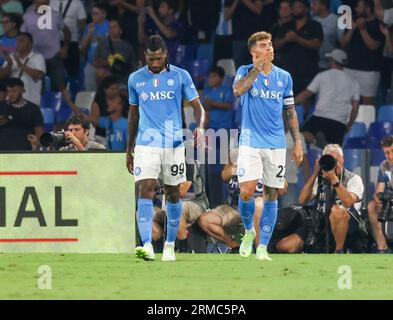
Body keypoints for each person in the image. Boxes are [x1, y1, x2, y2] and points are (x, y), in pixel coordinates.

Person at [127, 35, 205, 262]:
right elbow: (133, 115)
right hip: (145, 145)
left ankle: (170, 245)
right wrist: (129, 149)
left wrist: (199, 127)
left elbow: (198, 108)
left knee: (172, 194)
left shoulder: (181, 76)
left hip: (173, 145)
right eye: (151, 58)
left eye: (158, 57)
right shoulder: (135, 79)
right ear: (145, 56)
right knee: (145, 189)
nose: (154, 62)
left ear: (165, 54)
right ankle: (147, 246)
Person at [232, 31, 303, 261]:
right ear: (254, 52)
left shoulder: (284, 77)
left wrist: (298, 143)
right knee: (246, 192)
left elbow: (290, 111)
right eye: (263, 45)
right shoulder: (244, 71)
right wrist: (257, 67)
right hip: (250, 142)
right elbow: (238, 90)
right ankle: (248, 231)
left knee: (272, 194)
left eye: (270, 43)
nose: (269, 47)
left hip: (275, 144)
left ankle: (262, 247)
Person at [299, 144, 365, 253]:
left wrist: (334, 179)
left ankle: (338, 251)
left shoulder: (353, 179)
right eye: (328, 159)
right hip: (324, 222)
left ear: (342, 160)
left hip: (350, 224)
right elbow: (302, 200)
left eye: (334, 160)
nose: (332, 163)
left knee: (337, 210)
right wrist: (315, 174)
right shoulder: (322, 179)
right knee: (288, 245)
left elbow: (348, 202)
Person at [198, 147, 264, 251]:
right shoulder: (235, 153)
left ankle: (259, 249)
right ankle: (234, 246)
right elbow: (224, 176)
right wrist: (237, 167)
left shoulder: (267, 153)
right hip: (235, 207)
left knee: (257, 205)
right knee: (205, 220)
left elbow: (283, 187)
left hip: (257, 204)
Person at [296, 49, 360, 147]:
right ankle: (324, 145)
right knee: (333, 150)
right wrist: (349, 125)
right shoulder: (353, 82)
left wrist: (289, 102)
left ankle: (315, 141)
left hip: (320, 117)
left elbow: (306, 94)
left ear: (332, 61)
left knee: (301, 134)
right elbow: (355, 107)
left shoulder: (322, 76)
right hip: (339, 121)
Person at [152, 160, 210, 251]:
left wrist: (164, 183)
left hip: (195, 203)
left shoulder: (188, 163)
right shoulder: (156, 164)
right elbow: (149, 192)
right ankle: (159, 248)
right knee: (143, 212)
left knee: (175, 209)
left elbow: (181, 192)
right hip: (164, 205)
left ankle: (185, 249)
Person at [273, 0, 323, 95]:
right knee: (286, 101)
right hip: (288, 71)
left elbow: (316, 45)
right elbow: (275, 45)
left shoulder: (315, 25)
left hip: (308, 71)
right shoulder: (286, 25)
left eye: (299, 7)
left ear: (306, 9)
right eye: (294, 7)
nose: (295, 9)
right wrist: (285, 39)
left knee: (306, 102)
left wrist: (297, 38)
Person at [340, 0, 384, 105]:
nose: (356, 9)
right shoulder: (353, 22)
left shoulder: (378, 25)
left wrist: (363, 29)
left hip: (369, 71)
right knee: (346, 99)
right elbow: (343, 43)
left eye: (359, 7)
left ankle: (366, 121)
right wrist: (353, 28)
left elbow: (373, 46)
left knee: (367, 103)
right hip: (350, 67)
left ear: (368, 8)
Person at [21, 0, 70, 92]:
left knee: (60, 85)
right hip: (35, 56)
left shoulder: (55, 15)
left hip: (54, 55)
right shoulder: (27, 17)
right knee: (38, 87)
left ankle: (60, 104)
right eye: (40, 3)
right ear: (35, 2)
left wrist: (65, 47)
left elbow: (67, 32)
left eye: (45, 3)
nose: (43, 5)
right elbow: (22, 36)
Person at [0, 32, 46, 106]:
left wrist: (21, 65)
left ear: (30, 44)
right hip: (11, 102)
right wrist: (9, 64)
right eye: (17, 41)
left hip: (30, 103)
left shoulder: (37, 57)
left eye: (21, 40)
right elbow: (1, 75)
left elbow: (39, 75)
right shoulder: (12, 56)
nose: (18, 43)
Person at [0, 77, 44, 151]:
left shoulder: (33, 109)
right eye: (9, 91)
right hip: (3, 149)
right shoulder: (2, 106)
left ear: (23, 90)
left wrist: (37, 144)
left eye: (14, 91)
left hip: (25, 148)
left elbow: (39, 130)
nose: (10, 94)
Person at [367, 136, 393, 253]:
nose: (390, 156)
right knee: (372, 206)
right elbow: (380, 189)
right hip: (390, 200)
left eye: (392, 151)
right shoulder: (385, 166)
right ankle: (382, 247)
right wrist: (378, 197)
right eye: (386, 153)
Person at [49, 0, 87, 80]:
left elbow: (82, 25)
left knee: (72, 72)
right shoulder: (51, 2)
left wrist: (80, 41)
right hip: (53, 41)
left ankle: (72, 89)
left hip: (72, 42)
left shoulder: (77, 3)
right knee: (53, 71)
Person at [93, 19, 136, 85]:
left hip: (122, 78)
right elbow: (95, 62)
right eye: (109, 27)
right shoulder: (102, 43)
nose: (111, 29)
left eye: (114, 27)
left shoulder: (127, 46)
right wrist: (106, 62)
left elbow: (132, 66)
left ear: (120, 30)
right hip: (105, 77)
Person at [224, 0, 263, 68]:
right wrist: (235, 2)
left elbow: (258, 10)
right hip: (238, 38)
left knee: (255, 67)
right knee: (239, 67)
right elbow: (226, 17)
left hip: (253, 39)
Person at [80, 1, 109, 91]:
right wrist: (89, 34)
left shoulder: (110, 26)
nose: (94, 16)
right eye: (92, 14)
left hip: (105, 65)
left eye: (96, 13)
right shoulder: (89, 27)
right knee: (90, 91)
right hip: (90, 63)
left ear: (104, 14)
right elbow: (82, 47)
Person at [311, 0, 343, 71]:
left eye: (315, 4)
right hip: (313, 63)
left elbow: (342, 42)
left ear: (323, 6)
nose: (312, 7)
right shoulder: (312, 21)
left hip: (331, 64)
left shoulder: (336, 20)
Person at [202, 66, 234, 131]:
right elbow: (203, 106)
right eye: (209, 76)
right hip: (210, 126)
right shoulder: (206, 91)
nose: (211, 78)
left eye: (214, 76)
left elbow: (228, 105)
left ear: (222, 79)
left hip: (225, 126)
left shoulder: (226, 90)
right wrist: (206, 106)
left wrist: (212, 103)